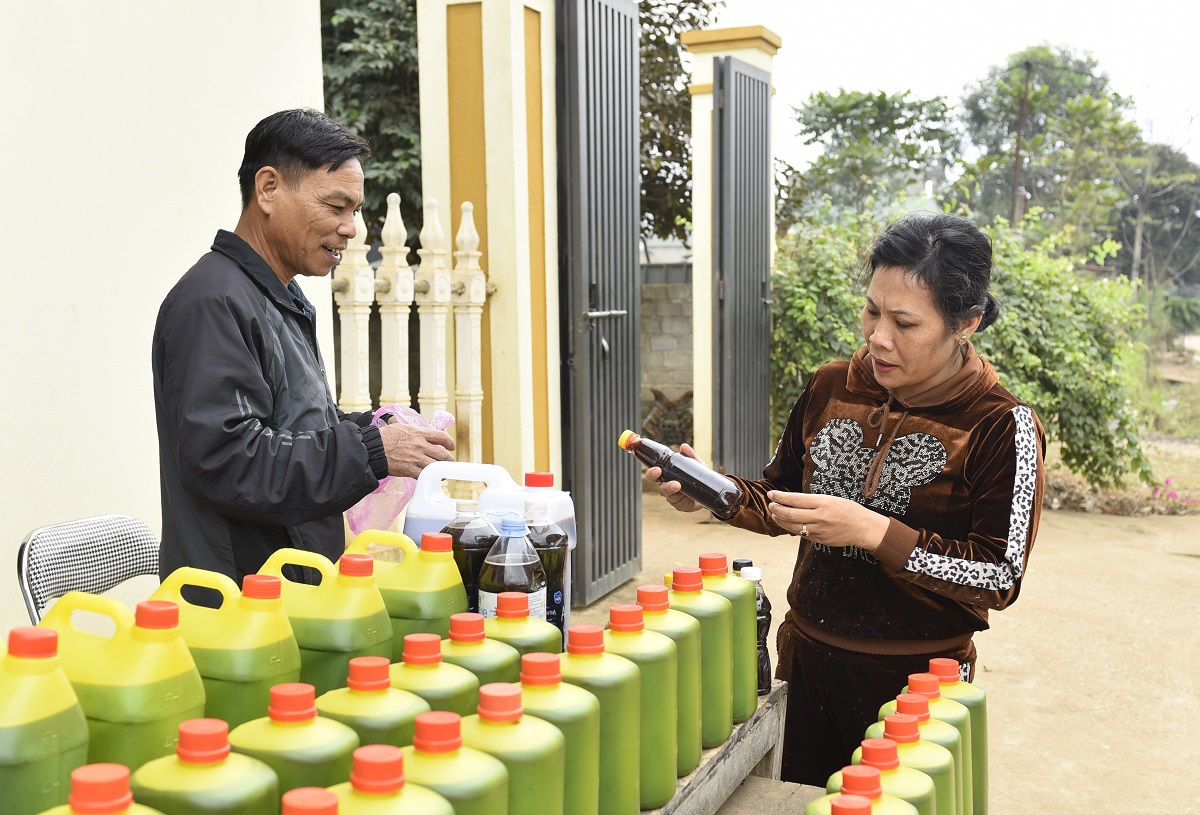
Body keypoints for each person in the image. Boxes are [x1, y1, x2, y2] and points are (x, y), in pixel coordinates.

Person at [649, 212, 1046, 784]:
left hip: (917, 688)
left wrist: (872, 531)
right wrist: (714, 492)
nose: (877, 336)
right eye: (872, 311)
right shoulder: (830, 386)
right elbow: (781, 497)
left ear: (967, 323)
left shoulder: (1002, 425)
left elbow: (998, 576)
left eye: (904, 322)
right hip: (805, 661)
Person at [153, 108, 455, 583]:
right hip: (240, 604)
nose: (352, 228)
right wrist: (371, 453)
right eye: (336, 208)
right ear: (268, 188)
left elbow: (295, 423)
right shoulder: (212, 301)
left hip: (294, 589)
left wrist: (374, 429)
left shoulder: (278, 296)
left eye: (354, 211)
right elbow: (227, 460)